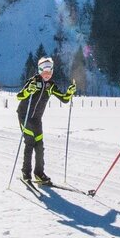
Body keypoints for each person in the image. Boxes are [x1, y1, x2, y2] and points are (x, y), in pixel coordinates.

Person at [15, 56, 75, 185]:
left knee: (40, 146)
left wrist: (69, 92)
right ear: (40, 70)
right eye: (44, 71)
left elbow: (64, 99)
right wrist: (28, 91)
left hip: (36, 119)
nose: (47, 74)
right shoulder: (34, 81)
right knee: (30, 142)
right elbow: (19, 96)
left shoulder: (51, 85)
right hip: (24, 115)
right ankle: (26, 172)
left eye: (50, 72)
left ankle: (39, 173)